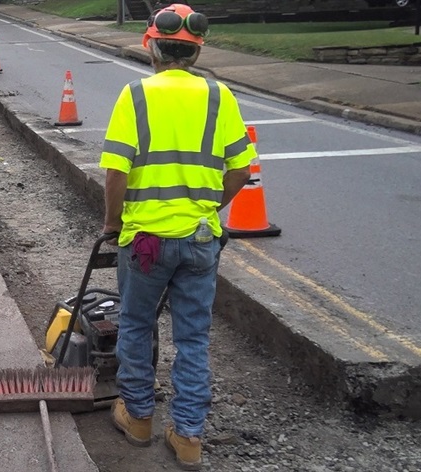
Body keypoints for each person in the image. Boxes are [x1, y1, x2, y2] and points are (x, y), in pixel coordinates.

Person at [99, 3, 256, 470]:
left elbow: (115, 173)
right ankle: (187, 437)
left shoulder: (136, 95)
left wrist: (112, 225)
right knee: (193, 338)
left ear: (152, 46)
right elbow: (240, 170)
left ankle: (139, 417)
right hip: (200, 240)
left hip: (146, 240)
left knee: (136, 323)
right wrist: (207, 210)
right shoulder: (219, 96)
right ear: (196, 51)